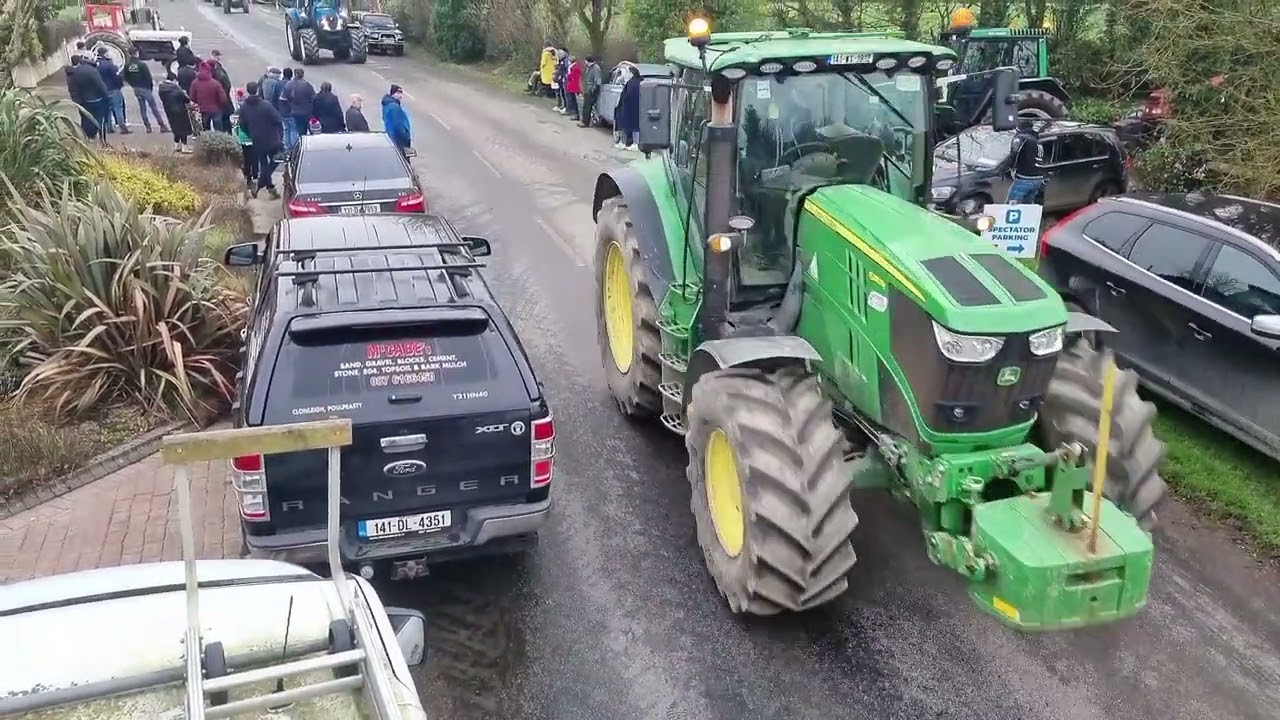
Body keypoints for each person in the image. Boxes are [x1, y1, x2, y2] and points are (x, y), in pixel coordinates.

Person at [236, 80, 284, 199]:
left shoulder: (244, 107)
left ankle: (269, 187)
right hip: (272, 138)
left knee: (263, 163)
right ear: (257, 90)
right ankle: (262, 183)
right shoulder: (266, 105)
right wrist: (279, 134)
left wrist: (251, 133)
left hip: (256, 139)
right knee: (276, 160)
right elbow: (277, 120)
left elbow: (242, 125)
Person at [122, 48, 168, 133]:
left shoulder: (127, 65)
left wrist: (133, 85)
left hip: (136, 89)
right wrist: (150, 87)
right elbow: (148, 77)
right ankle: (162, 125)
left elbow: (125, 77)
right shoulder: (142, 65)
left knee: (142, 108)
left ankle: (147, 127)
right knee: (154, 108)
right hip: (145, 88)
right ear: (136, 53)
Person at [69, 56, 111, 145]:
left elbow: (73, 89)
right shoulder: (92, 71)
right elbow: (100, 85)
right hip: (97, 100)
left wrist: (76, 101)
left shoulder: (75, 72)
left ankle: (88, 137)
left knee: (86, 119)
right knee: (99, 120)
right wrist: (107, 96)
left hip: (84, 101)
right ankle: (101, 140)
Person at [1006, 119, 1045, 203]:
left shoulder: (1021, 138)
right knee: (1027, 207)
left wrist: (1008, 168)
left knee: (1011, 207)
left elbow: (1014, 154)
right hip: (1037, 179)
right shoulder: (1037, 141)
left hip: (1024, 178)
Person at [158, 71, 195, 153]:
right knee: (183, 129)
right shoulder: (176, 89)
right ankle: (184, 147)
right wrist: (184, 93)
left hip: (169, 111)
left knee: (175, 128)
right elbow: (186, 99)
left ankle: (176, 145)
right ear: (174, 80)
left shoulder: (162, 89)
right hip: (180, 111)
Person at [95, 47, 130, 134]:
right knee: (118, 108)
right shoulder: (110, 65)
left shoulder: (96, 65)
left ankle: (109, 128)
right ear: (105, 54)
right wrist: (120, 85)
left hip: (102, 90)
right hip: (113, 89)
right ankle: (123, 128)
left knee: (107, 110)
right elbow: (117, 77)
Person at [189, 61, 230, 132]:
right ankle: (219, 140)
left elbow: (192, 97)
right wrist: (220, 105)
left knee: (206, 127)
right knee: (218, 128)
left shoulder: (194, 83)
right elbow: (223, 98)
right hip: (216, 109)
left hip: (203, 109)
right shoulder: (215, 83)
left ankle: (207, 140)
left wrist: (200, 102)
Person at [284, 68, 316, 144]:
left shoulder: (289, 85)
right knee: (310, 130)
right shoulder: (307, 85)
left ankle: (301, 145)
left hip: (295, 112)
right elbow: (313, 98)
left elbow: (284, 98)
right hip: (307, 112)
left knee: (299, 131)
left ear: (295, 74)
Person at [381, 84, 411, 155]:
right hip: (399, 141)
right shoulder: (394, 107)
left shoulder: (387, 105)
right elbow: (398, 126)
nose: (400, 96)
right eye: (398, 93)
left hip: (392, 138)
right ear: (393, 94)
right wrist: (405, 137)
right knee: (403, 161)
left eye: (401, 93)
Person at [615, 65, 640, 150]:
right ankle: (629, 142)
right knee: (631, 126)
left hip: (629, 107)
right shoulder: (637, 82)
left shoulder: (632, 83)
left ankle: (629, 143)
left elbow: (627, 95)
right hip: (633, 107)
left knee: (627, 125)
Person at [231, 106, 256, 189]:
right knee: (255, 158)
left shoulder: (240, 111)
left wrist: (237, 135)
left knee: (247, 159)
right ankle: (254, 176)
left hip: (243, 139)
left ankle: (248, 177)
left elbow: (235, 126)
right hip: (253, 139)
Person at [580, 55, 602, 129]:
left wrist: (592, 90)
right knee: (586, 106)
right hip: (588, 89)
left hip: (591, 90)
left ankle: (585, 122)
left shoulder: (596, 68)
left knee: (587, 107)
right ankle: (585, 121)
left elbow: (598, 81)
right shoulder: (590, 68)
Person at [564, 54, 581, 121]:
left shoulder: (575, 67)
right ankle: (574, 113)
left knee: (574, 101)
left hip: (573, 86)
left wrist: (568, 76)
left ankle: (576, 114)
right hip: (571, 86)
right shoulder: (573, 67)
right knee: (572, 100)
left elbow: (573, 77)